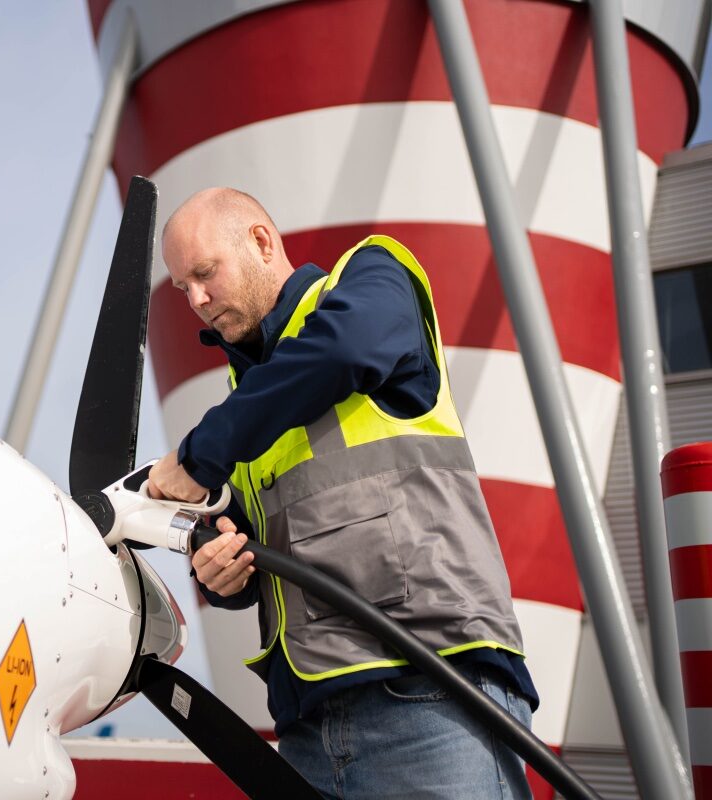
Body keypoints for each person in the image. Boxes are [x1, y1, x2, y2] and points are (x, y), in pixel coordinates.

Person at [147, 187, 537, 799]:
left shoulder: (374, 276)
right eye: (182, 289)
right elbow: (268, 545)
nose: (195, 300)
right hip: (307, 729)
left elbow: (346, 348)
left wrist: (200, 453)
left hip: (431, 691)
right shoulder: (247, 406)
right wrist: (224, 575)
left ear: (261, 241)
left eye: (203, 273)